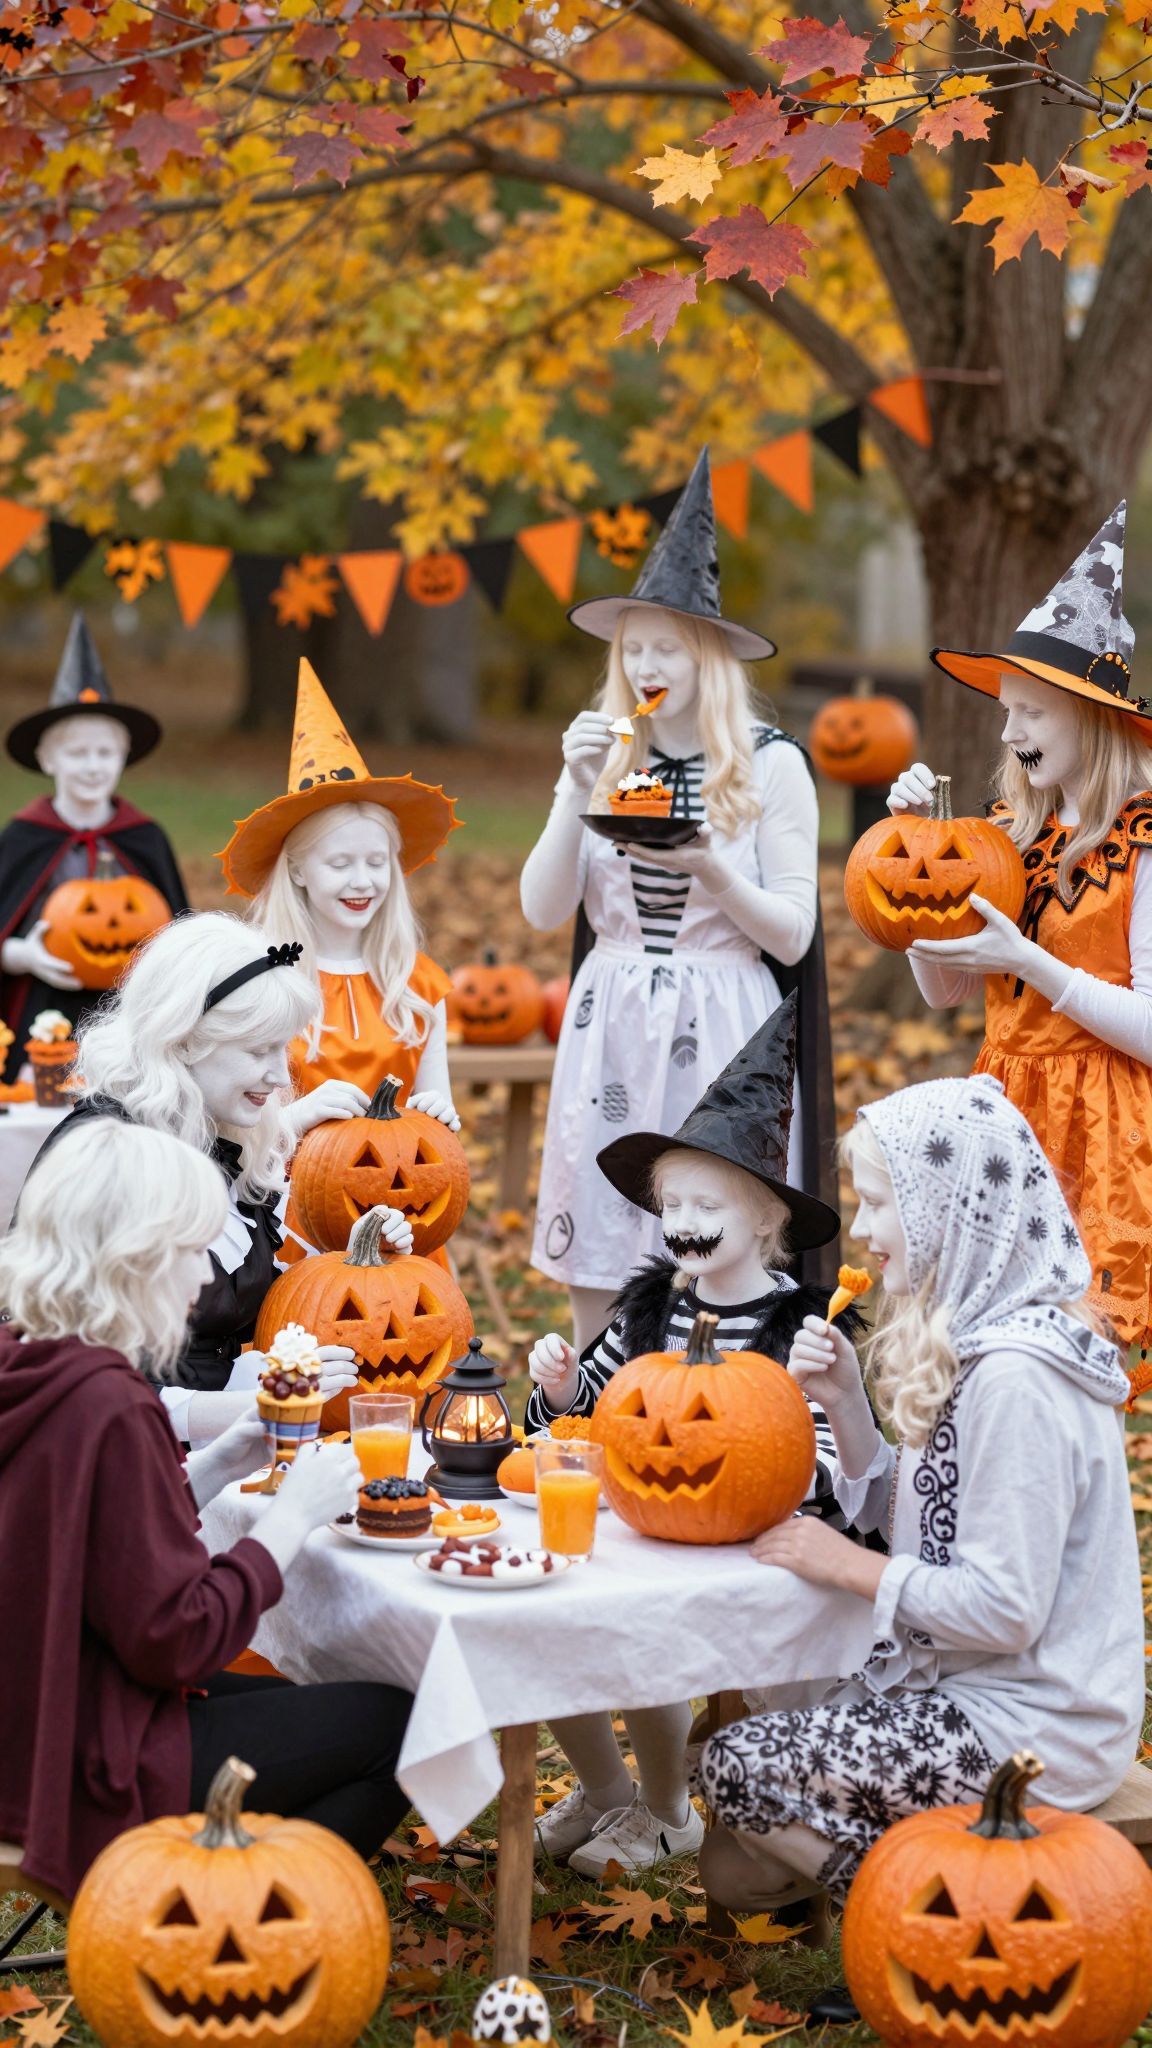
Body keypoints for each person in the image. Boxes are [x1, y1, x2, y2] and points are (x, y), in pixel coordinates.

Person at [696, 1075, 1143, 1952]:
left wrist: (845, 1564)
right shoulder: (987, 1343)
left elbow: (1003, 1606)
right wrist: (847, 1407)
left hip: (1036, 1725)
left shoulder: (1020, 1379)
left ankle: (931, 1923)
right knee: (731, 1848)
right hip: (976, 1692)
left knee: (734, 1769)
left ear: (952, 1211)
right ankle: (918, 1888)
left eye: (879, 1205)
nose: (860, 1230)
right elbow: (936, 1507)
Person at [0, 1117, 413, 1902]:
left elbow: (83, 1548)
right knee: (402, 1730)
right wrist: (291, 1521)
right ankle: (229, 1923)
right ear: (136, 1260)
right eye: (191, 1253)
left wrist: (216, 1466)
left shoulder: (29, 1360)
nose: (200, 1283)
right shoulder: (107, 1404)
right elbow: (174, 1640)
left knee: (303, 1707)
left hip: (33, 1721)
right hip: (84, 1765)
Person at [526, 1000, 864, 1878]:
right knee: (550, 1622)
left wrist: (768, 1488)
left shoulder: (799, 1328)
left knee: (638, 1643)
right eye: (670, 1202)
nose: (680, 1219)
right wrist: (559, 1388)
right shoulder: (650, 1306)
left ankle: (669, 1810)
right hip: (642, 1526)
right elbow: (578, 1422)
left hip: (745, 1549)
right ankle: (607, 1791)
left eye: (704, 1203)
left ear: (762, 1220)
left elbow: (827, 1458)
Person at [521, 452, 835, 1352]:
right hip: (609, 1020)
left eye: (668, 644)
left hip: (723, 1017)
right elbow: (544, 911)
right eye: (635, 646)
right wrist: (567, 789)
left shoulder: (771, 765)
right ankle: (591, 1405)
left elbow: (794, 930)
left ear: (707, 654)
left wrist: (711, 870)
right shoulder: (607, 760)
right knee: (601, 1235)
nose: (649, 661)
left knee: (715, 1235)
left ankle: (720, 1413)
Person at [890, 503, 1152, 1394]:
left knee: (1076, 1365)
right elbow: (945, 995)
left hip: (1103, 1126)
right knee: (982, 1356)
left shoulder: (1144, 841)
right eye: (1008, 712)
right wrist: (913, 866)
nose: (1008, 734)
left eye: (1031, 712)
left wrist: (1035, 963)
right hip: (1002, 1109)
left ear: (1094, 717)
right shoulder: (1006, 836)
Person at [29, 911, 410, 1437]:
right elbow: (70, 1387)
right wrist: (265, 1402)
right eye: (258, 1050)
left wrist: (364, 1264)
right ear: (183, 1040)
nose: (280, 1077)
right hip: (119, 1455)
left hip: (220, 1444)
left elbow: (254, 1306)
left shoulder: (222, 1139)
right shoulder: (110, 1155)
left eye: (283, 1048)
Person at [221, 658, 460, 1260]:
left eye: (376, 862)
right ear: (298, 870)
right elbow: (230, 1135)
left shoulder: (417, 983)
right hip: (286, 1216)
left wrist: (438, 1117)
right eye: (340, 864)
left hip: (398, 1221)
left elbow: (439, 1115)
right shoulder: (263, 980)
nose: (363, 881)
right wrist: (297, 1115)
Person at [0, 613, 187, 1078]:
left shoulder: (144, 837)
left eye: (104, 752)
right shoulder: (24, 837)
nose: (92, 765)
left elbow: (179, 932)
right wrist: (21, 955)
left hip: (129, 1009)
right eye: (77, 753)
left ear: (123, 758)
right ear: (48, 758)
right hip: (39, 1011)